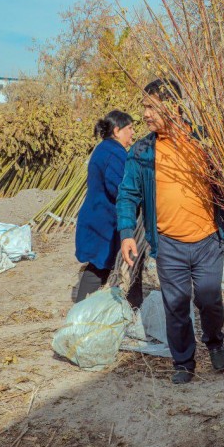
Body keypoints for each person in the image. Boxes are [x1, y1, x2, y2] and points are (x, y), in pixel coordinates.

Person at [116, 79, 224, 384]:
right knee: (176, 305)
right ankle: (183, 362)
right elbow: (128, 194)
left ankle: (215, 341)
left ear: (174, 108)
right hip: (168, 244)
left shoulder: (203, 142)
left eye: (152, 106)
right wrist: (127, 232)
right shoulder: (142, 150)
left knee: (209, 299)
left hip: (207, 241)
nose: (145, 114)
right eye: (144, 106)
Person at [73, 110, 143, 308]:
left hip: (101, 219)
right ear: (117, 130)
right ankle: (82, 311)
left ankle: (127, 307)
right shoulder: (113, 153)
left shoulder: (106, 149)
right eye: (129, 128)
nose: (133, 133)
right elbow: (120, 189)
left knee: (112, 265)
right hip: (103, 222)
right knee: (101, 267)